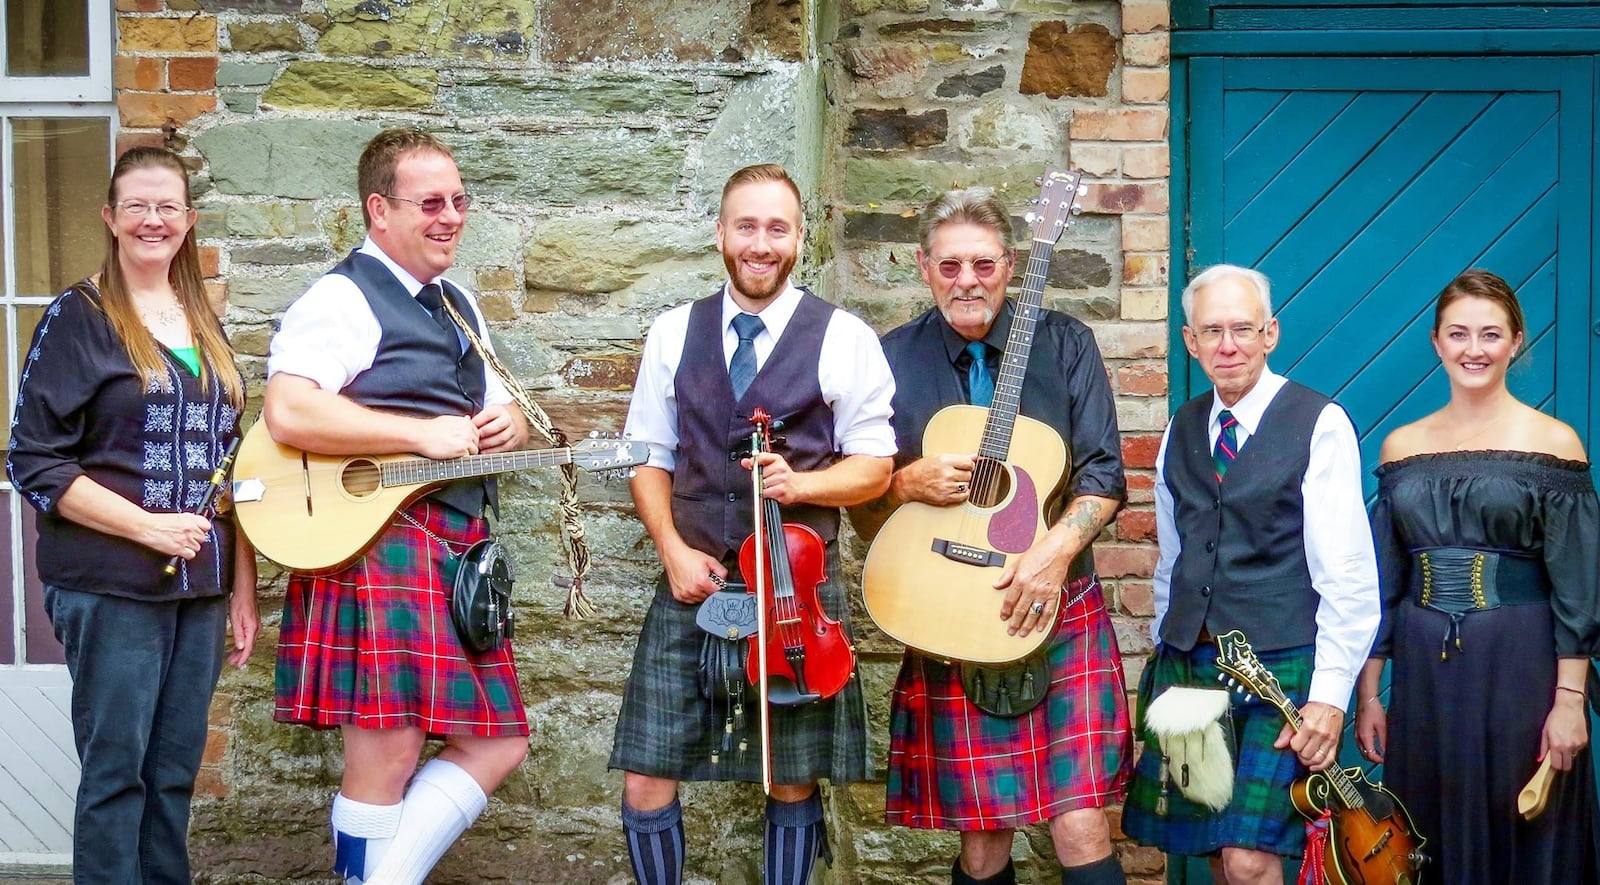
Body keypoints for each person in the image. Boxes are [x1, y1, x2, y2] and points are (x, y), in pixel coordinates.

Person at [611, 163, 895, 884]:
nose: (760, 243)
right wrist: (670, 548)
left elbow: (874, 467)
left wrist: (803, 482)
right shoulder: (673, 332)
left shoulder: (844, 337)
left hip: (794, 596)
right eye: (746, 226)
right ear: (720, 234)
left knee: (791, 779)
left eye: (776, 228)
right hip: (694, 582)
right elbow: (648, 454)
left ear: (800, 237)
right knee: (647, 775)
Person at [264, 128, 531, 885]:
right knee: (388, 753)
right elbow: (288, 411)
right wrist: (418, 435)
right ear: (378, 211)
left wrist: (505, 422)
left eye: (459, 200)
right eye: (431, 203)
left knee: (499, 739)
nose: (450, 216)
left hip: (454, 551)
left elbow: (481, 417)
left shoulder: (459, 304)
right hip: (382, 544)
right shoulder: (342, 296)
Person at [849, 187, 1132, 885]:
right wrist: (902, 484)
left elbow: (1104, 476)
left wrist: (1050, 557)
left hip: (1053, 605)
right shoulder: (889, 359)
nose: (966, 281)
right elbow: (855, 495)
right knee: (981, 839)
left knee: (1080, 821)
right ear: (923, 267)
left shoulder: (1066, 344)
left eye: (982, 264)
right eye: (949, 266)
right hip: (949, 610)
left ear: (1010, 264)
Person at [6, 146, 257, 884]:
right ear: (111, 218)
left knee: (173, 772)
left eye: (168, 207)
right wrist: (148, 526)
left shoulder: (201, 319)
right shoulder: (77, 317)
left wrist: (240, 585)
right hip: (110, 583)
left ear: (189, 220)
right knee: (118, 776)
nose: (154, 220)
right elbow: (34, 459)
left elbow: (229, 465)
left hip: (199, 592)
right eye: (138, 206)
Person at [1121, 264, 1381, 884]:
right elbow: (1174, 557)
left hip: (1279, 667)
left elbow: (1347, 574)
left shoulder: (1319, 423)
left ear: (1271, 334)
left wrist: (1328, 697)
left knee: (1250, 856)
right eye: (1212, 331)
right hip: (1192, 666)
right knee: (1216, 849)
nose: (1228, 345)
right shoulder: (1180, 430)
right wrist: (1169, 642)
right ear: (1190, 341)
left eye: (1243, 329)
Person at [1353, 269, 1600, 884]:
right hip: (1425, 679)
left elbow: (1579, 586)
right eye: (1458, 333)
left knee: (1522, 823)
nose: (1474, 349)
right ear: (1436, 343)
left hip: (1521, 669)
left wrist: (1570, 701)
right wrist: (1368, 692)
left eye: (1490, 334)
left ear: (1516, 341)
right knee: (1425, 830)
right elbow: (1384, 582)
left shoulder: (1554, 443)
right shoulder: (1400, 448)